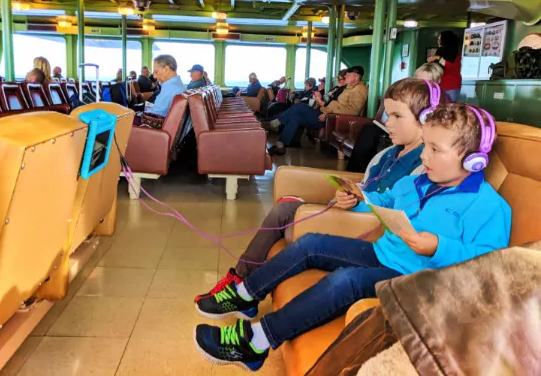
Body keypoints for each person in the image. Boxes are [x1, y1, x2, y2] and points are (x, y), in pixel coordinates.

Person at [193, 103, 511, 372]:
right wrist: (360, 198)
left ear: (474, 159)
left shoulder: (489, 206)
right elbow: (385, 201)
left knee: (346, 281)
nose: (424, 157)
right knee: (311, 243)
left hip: (420, 279)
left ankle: (256, 341)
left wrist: (439, 247)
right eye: (425, 146)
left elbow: (488, 266)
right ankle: (245, 293)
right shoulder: (421, 182)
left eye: (435, 149)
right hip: (384, 253)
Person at [195, 78, 444, 305]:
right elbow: (366, 182)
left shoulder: (424, 166)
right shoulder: (388, 152)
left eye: (396, 117)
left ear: (425, 119)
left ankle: (240, 279)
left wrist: (354, 202)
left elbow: (396, 213)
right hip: (346, 206)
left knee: (284, 211)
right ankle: (241, 278)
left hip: (360, 222)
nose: (386, 123)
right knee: (287, 206)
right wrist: (349, 192)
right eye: (388, 115)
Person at [346, 62, 445, 173]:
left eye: (426, 82)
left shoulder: (439, 102)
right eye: (417, 81)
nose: (420, 86)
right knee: (369, 128)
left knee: (370, 133)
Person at [267, 66, 367, 155]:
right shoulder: (349, 88)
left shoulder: (359, 90)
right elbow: (338, 104)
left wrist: (328, 112)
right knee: (295, 117)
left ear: (356, 77)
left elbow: (353, 111)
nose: (346, 77)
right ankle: (280, 145)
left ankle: (276, 122)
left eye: (348, 75)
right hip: (325, 113)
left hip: (330, 118)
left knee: (300, 106)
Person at [429, 31, 461, 101]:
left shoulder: (454, 52)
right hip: (440, 84)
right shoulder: (440, 50)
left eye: (439, 39)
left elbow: (448, 65)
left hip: (451, 85)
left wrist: (437, 58)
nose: (438, 41)